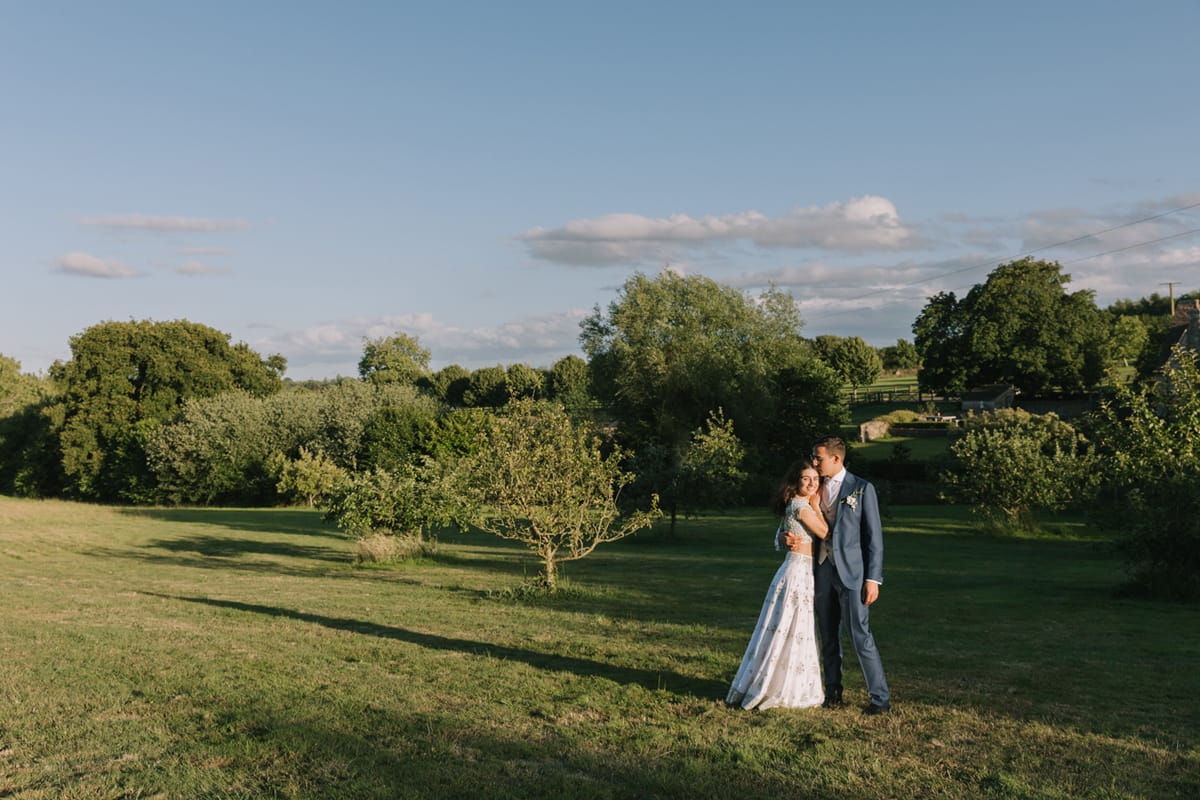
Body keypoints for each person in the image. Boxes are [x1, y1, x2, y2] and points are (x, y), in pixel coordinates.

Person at [726, 462, 829, 710]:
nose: (813, 483)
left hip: (798, 568)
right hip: (798, 571)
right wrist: (816, 506)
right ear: (796, 482)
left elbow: (780, 535)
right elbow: (825, 533)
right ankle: (779, 686)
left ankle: (780, 680)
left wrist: (783, 539)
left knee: (791, 625)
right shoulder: (802, 506)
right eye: (806, 479)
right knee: (790, 625)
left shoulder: (794, 505)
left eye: (816, 479)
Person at [810, 435, 891, 714]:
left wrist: (873, 579)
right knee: (828, 635)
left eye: (818, 458)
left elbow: (873, 538)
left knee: (860, 635)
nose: (814, 462)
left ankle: (880, 700)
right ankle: (833, 693)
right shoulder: (814, 486)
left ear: (836, 459)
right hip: (821, 569)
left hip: (854, 576)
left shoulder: (862, 489)